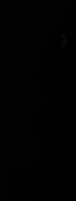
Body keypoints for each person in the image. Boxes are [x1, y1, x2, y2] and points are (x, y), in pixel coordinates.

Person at [36, 29, 76, 182]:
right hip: (59, 104)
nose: (63, 42)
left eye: (64, 39)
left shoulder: (59, 57)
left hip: (60, 104)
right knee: (58, 138)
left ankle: (54, 171)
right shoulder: (61, 57)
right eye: (61, 39)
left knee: (58, 138)